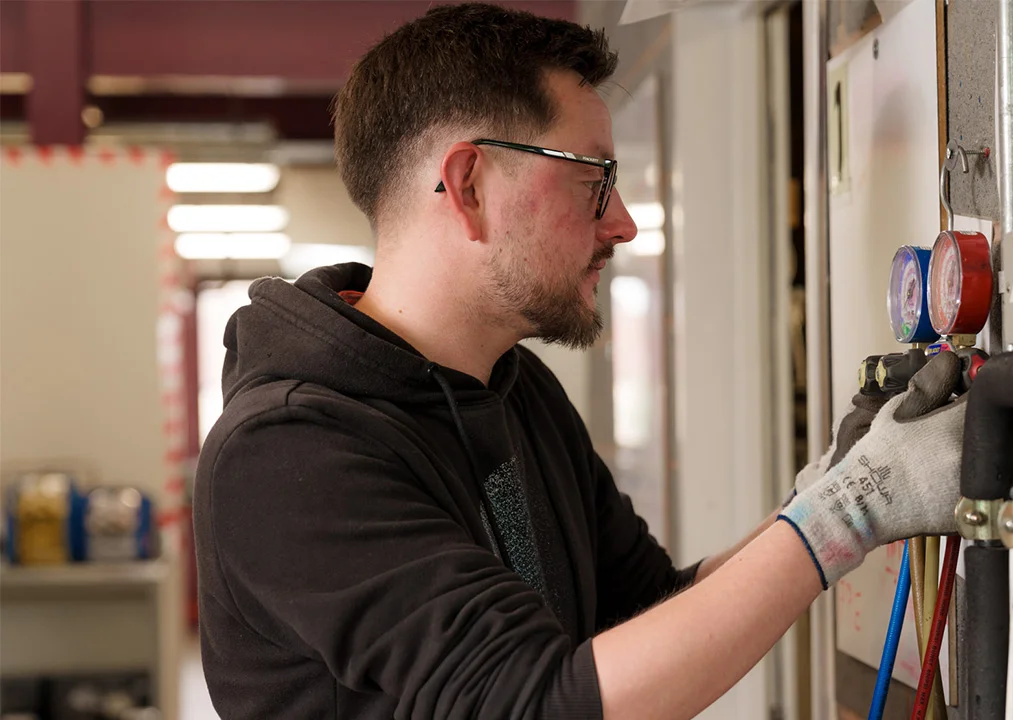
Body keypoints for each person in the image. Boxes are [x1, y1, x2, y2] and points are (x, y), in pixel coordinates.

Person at [192, 4, 968, 719]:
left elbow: (647, 612)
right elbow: (540, 703)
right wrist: (851, 513)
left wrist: (822, 491)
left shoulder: (514, 388)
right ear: (469, 184)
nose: (623, 224)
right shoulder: (287, 452)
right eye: (593, 180)